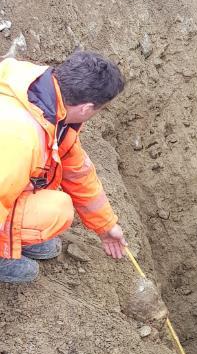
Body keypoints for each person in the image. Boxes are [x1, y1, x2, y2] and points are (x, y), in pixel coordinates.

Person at [0, 51, 127, 284]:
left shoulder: (46, 98)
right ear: (87, 108)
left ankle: (16, 234)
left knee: (53, 211)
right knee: (57, 209)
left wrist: (106, 226)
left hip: (7, 174)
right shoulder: (21, 136)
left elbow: (77, 171)